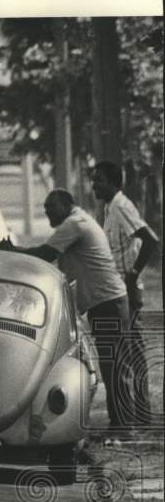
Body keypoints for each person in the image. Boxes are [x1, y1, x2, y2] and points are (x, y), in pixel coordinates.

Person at [0, 189, 137, 431]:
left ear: (65, 205)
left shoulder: (74, 224)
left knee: (114, 366)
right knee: (111, 366)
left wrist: (13, 252)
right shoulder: (77, 221)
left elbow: (46, 255)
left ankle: (124, 427)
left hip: (108, 302)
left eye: (51, 206)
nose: (46, 211)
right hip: (105, 302)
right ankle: (122, 425)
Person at [91, 161, 160, 426]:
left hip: (126, 291)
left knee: (130, 354)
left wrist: (132, 273)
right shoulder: (109, 207)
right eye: (94, 180)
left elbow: (151, 240)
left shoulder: (121, 206)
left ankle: (140, 416)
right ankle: (139, 415)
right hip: (115, 289)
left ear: (113, 182)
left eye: (99, 180)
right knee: (130, 352)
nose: (94, 185)